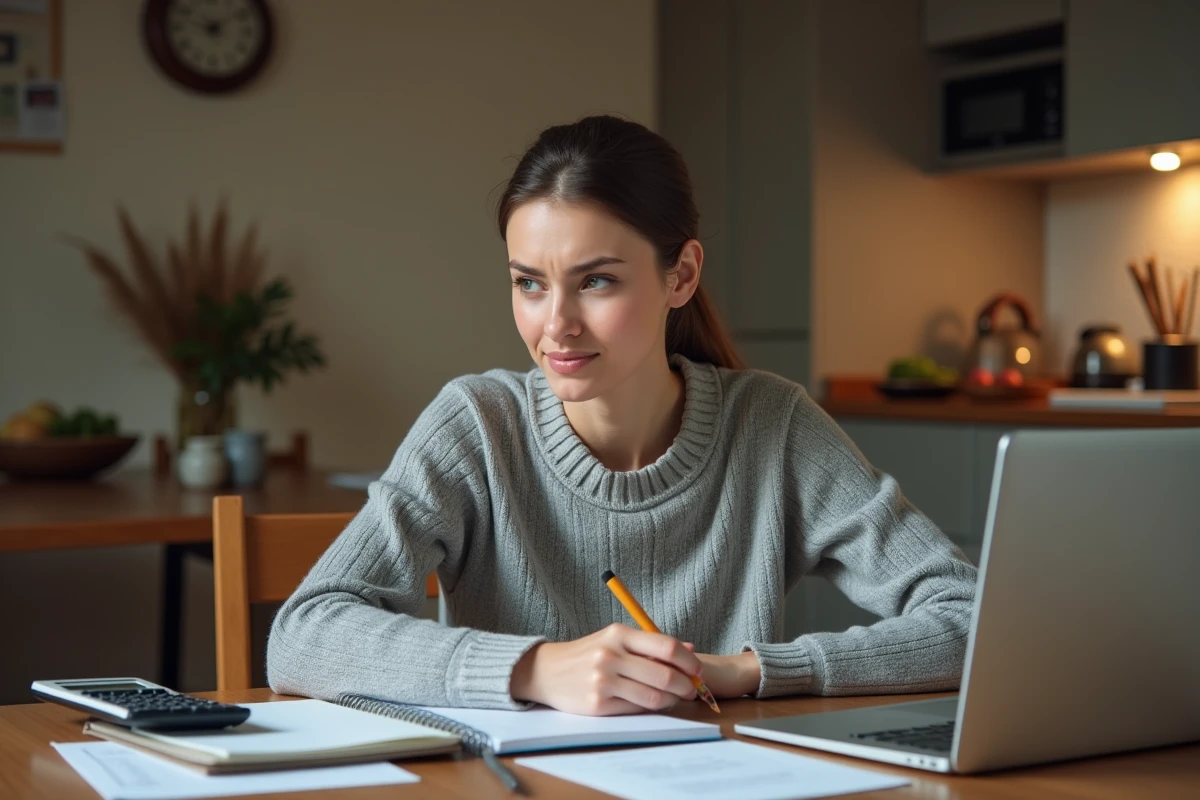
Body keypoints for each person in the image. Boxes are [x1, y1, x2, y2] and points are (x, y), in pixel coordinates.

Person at [267, 115, 977, 716]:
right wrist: (537, 670)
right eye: (529, 285)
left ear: (682, 275)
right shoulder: (477, 426)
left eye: (596, 281)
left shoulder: (772, 426)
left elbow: (976, 622)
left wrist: (752, 671)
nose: (557, 325)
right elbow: (303, 635)